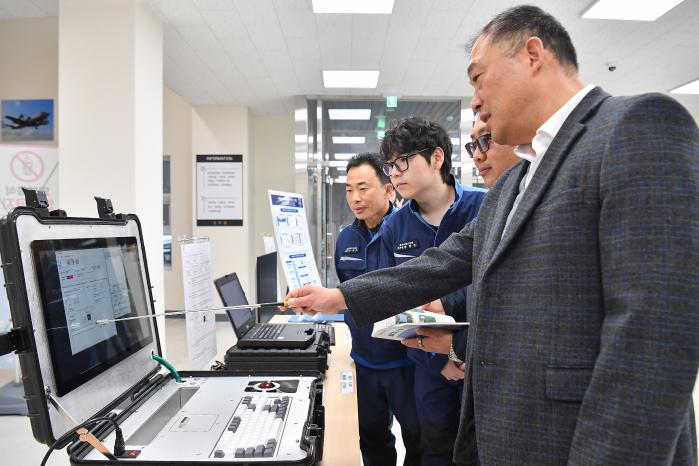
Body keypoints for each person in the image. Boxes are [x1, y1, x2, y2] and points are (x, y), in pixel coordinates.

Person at [284, 5, 699, 465]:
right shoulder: (515, 182)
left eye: (479, 78)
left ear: (533, 54)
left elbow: (655, 336)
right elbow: (438, 265)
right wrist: (337, 297)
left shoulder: (634, 127)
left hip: (577, 441)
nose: (476, 101)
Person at [375, 117, 486, 466]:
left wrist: (462, 355)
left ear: (437, 158)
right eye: (389, 165)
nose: (394, 172)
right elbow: (398, 301)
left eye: (403, 161)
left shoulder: (484, 208)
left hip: (484, 361)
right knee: (435, 450)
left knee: (483, 450)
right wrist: (438, 362)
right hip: (429, 367)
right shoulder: (395, 226)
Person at [334, 153, 420, 466]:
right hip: (364, 361)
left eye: (363, 188)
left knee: (418, 437)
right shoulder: (346, 239)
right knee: (371, 437)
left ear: (387, 190)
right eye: (348, 189)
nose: (355, 198)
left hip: (406, 362)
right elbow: (345, 291)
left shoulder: (410, 231)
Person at [416, 116, 523, 359]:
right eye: (472, 145)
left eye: (486, 140)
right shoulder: (497, 205)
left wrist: (457, 345)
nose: (476, 155)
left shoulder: (481, 203)